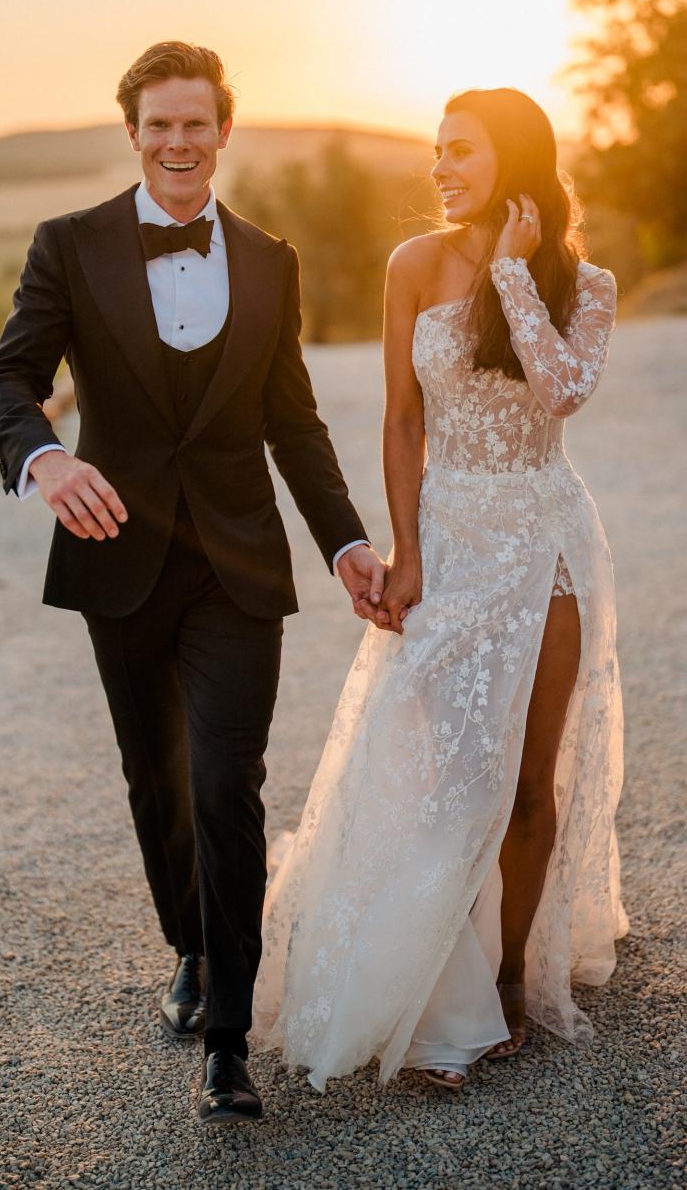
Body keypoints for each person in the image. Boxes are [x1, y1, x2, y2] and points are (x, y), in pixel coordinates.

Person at [0, 42, 387, 1126]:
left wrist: (345, 542)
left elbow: (292, 422)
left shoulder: (271, 259)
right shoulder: (68, 247)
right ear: (132, 132)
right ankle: (192, 947)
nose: (176, 142)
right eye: (157, 124)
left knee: (225, 784)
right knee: (156, 782)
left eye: (194, 123)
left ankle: (230, 1042)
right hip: (121, 559)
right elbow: (10, 379)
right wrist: (45, 458)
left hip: (239, 565)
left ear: (222, 132)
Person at [253, 88, 628, 1091]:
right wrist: (405, 554)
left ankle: (505, 985)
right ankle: (427, 988)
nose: (440, 169)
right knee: (438, 772)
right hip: (449, 545)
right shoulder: (410, 266)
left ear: (513, 160)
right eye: (435, 151)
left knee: (527, 780)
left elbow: (562, 392)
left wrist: (511, 272)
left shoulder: (585, 285)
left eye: (460, 151)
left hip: (544, 542)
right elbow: (401, 422)